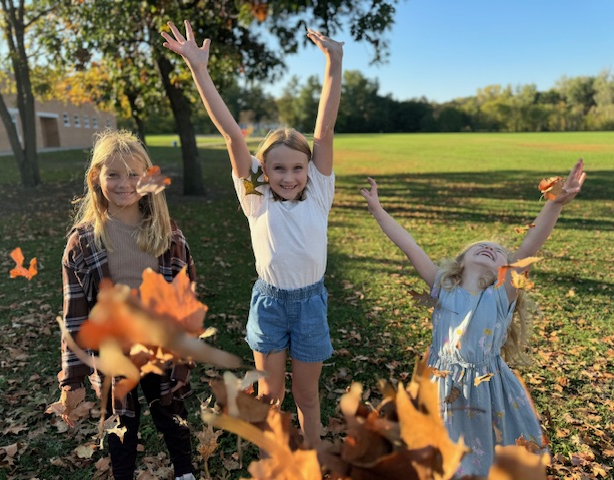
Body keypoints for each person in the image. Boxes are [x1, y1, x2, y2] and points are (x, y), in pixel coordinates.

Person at [161, 20, 343, 447]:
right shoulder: (256, 197)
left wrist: (334, 62)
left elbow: (325, 130)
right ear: (264, 171)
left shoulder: (318, 192)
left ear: (309, 171)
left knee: (306, 395)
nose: (288, 176)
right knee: (271, 393)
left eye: (297, 167)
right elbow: (230, 134)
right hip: (270, 302)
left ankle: (312, 457)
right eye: (278, 168)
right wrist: (199, 70)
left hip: (311, 303)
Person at [361, 159, 585, 477]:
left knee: (485, 458)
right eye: (481, 246)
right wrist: (378, 210)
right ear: (461, 261)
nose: (489, 249)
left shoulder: (502, 294)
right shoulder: (442, 285)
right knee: (443, 459)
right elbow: (408, 245)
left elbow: (531, 244)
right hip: (442, 385)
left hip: (488, 391)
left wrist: (555, 204)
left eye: (498, 252)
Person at [57, 129, 196, 480]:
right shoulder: (84, 241)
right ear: (96, 178)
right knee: (120, 425)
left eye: (134, 174)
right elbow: (75, 315)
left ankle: (185, 472)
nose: (124, 183)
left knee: (170, 413)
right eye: (113, 174)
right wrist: (71, 381)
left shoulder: (168, 235)